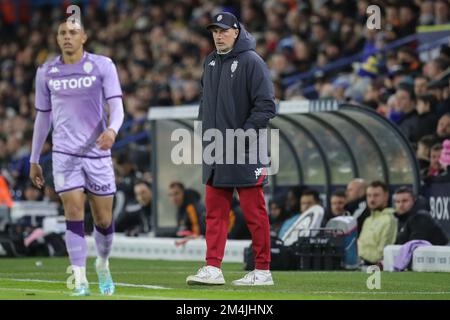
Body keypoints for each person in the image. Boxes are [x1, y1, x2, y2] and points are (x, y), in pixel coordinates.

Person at [29, 21, 124, 296]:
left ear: (84, 36)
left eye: (72, 33)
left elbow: (116, 106)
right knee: (72, 211)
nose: (67, 37)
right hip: (64, 154)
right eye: (62, 33)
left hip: (98, 152)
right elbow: (43, 116)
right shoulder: (46, 71)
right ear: (57, 38)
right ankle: (79, 279)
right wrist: (34, 158)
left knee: (104, 220)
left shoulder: (103, 65)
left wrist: (112, 130)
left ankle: (103, 264)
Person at [186, 12, 277, 286]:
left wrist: (244, 136)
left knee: (254, 212)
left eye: (224, 30)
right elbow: (205, 100)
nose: (218, 35)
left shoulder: (252, 61)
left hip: (246, 150)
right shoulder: (211, 61)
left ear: (236, 32)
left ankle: (263, 270)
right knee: (214, 213)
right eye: (215, 31)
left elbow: (266, 106)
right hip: (216, 149)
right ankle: (213, 267)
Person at [357, 181, 397, 266]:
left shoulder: (389, 219)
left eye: (376, 195)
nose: (372, 199)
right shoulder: (368, 220)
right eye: (369, 195)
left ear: (386, 196)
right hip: (360, 264)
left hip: (372, 267)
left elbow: (383, 253)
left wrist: (361, 258)